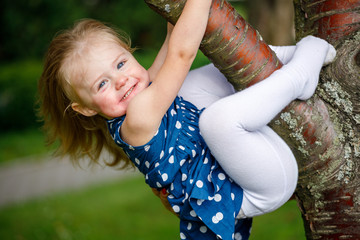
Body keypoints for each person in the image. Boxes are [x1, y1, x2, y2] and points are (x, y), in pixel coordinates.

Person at [38, 0, 336, 238]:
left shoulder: (139, 89)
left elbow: (173, 39)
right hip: (258, 188)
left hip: (242, 165)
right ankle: (298, 77)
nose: (120, 80)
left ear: (130, 54)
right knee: (214, 120)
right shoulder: (138, 117)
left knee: (190, 85)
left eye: (120, 63)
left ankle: (286, 58)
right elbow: (181, 53)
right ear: (86, 108)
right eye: (101, 84)